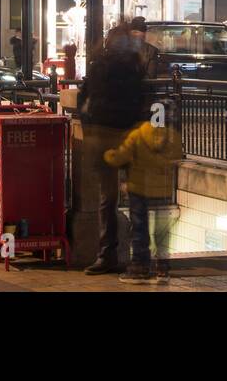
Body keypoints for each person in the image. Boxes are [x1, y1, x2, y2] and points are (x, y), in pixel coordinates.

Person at [79, 24, 148, 275]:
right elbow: (141, 99)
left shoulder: (100, 64)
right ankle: (140, 257)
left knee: (107, 199)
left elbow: (84, 98)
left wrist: (90, 125)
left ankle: (107, 254)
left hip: (105, 136)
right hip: (127, 135)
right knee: (135, 198)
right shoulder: (134, 66)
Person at [104, 116, 183, 283]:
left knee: (140, 228)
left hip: (139, 188)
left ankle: (140, 267)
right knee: (162, 232)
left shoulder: (138, 134)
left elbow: (119, 157)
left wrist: (107, 154)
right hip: (163, 189)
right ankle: (163, 269)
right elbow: (176, 156)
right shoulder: (172, 137)